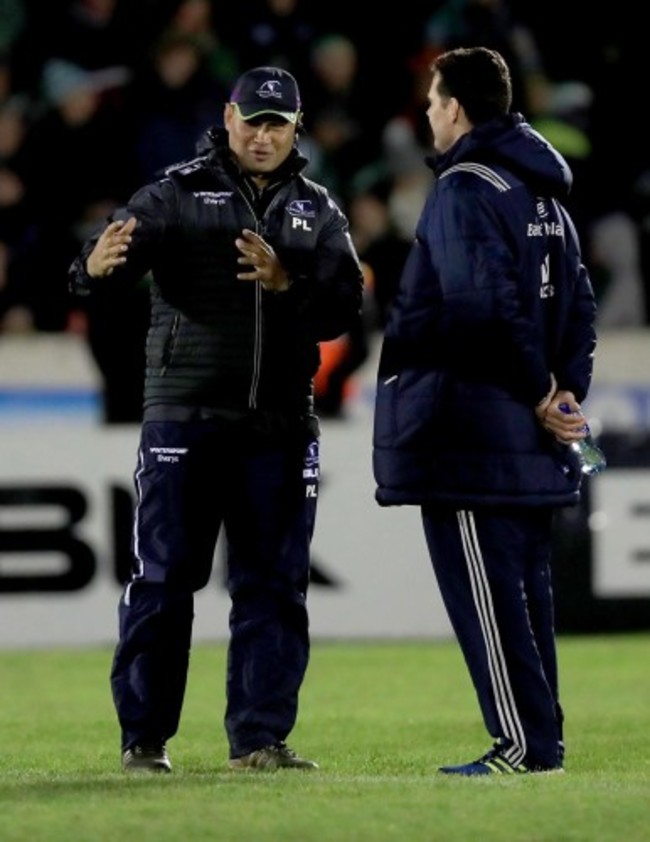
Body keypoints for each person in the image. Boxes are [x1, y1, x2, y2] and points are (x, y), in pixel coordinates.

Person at [69, 65, 364, 773]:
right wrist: (92, 269)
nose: (263, 136)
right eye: (252, 121)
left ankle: (258, 741)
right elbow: (105, 262)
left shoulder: (318, 209)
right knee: (165, 582)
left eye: (277, 124)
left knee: (274, 587)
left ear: (295, 129)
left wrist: (287, 283)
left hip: (280, 426)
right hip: (186, 420)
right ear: (229, 118)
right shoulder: (174, 192)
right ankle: (144, 740)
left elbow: (346, 306)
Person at [372, 47, 597, 776]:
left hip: (472, 431)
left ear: (457, 109)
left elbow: (482, 308)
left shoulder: (464, 188)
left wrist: (539, 392)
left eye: (433, 101)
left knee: (492, 603)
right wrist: (565, 393)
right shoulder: (542, 192)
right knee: (528, 599)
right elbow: (580, 303)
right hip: (530, 434)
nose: (428, 113)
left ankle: (521, 746)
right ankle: (542, 744)